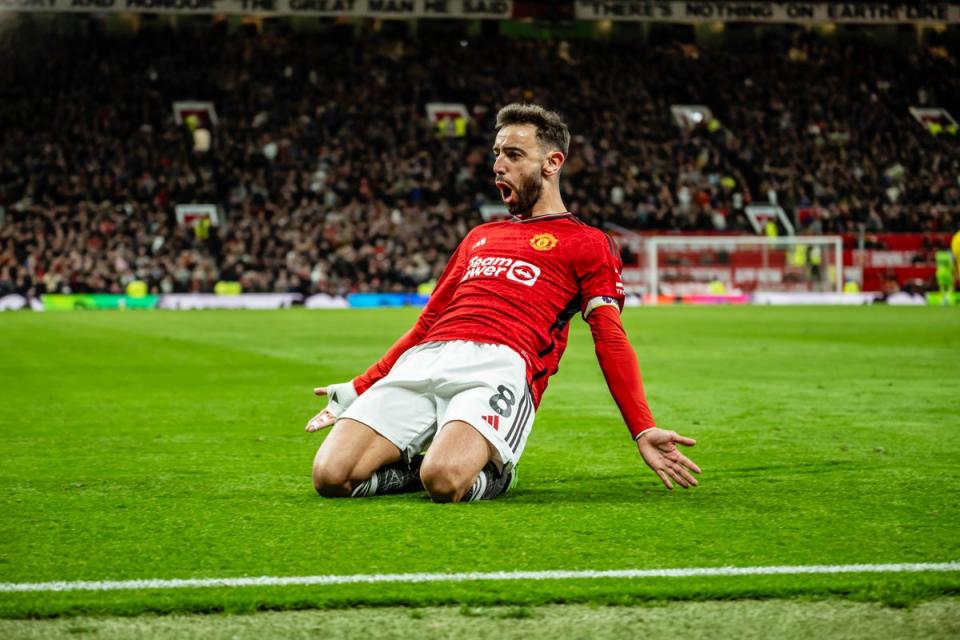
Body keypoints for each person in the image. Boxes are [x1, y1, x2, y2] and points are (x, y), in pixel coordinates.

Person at [305, 104, 701, 503]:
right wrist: (360, 385)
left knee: (443, 480)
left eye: (513, 155)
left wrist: (642, 426)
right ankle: (416, 470)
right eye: (497, 153)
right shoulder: (480, 236)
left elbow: (610, 337)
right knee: (330, 476)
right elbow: (426, 324)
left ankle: (494, 473)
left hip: (499, 367)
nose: (498, 165)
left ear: (552, 162)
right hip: (427, 358)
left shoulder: (587, 242)